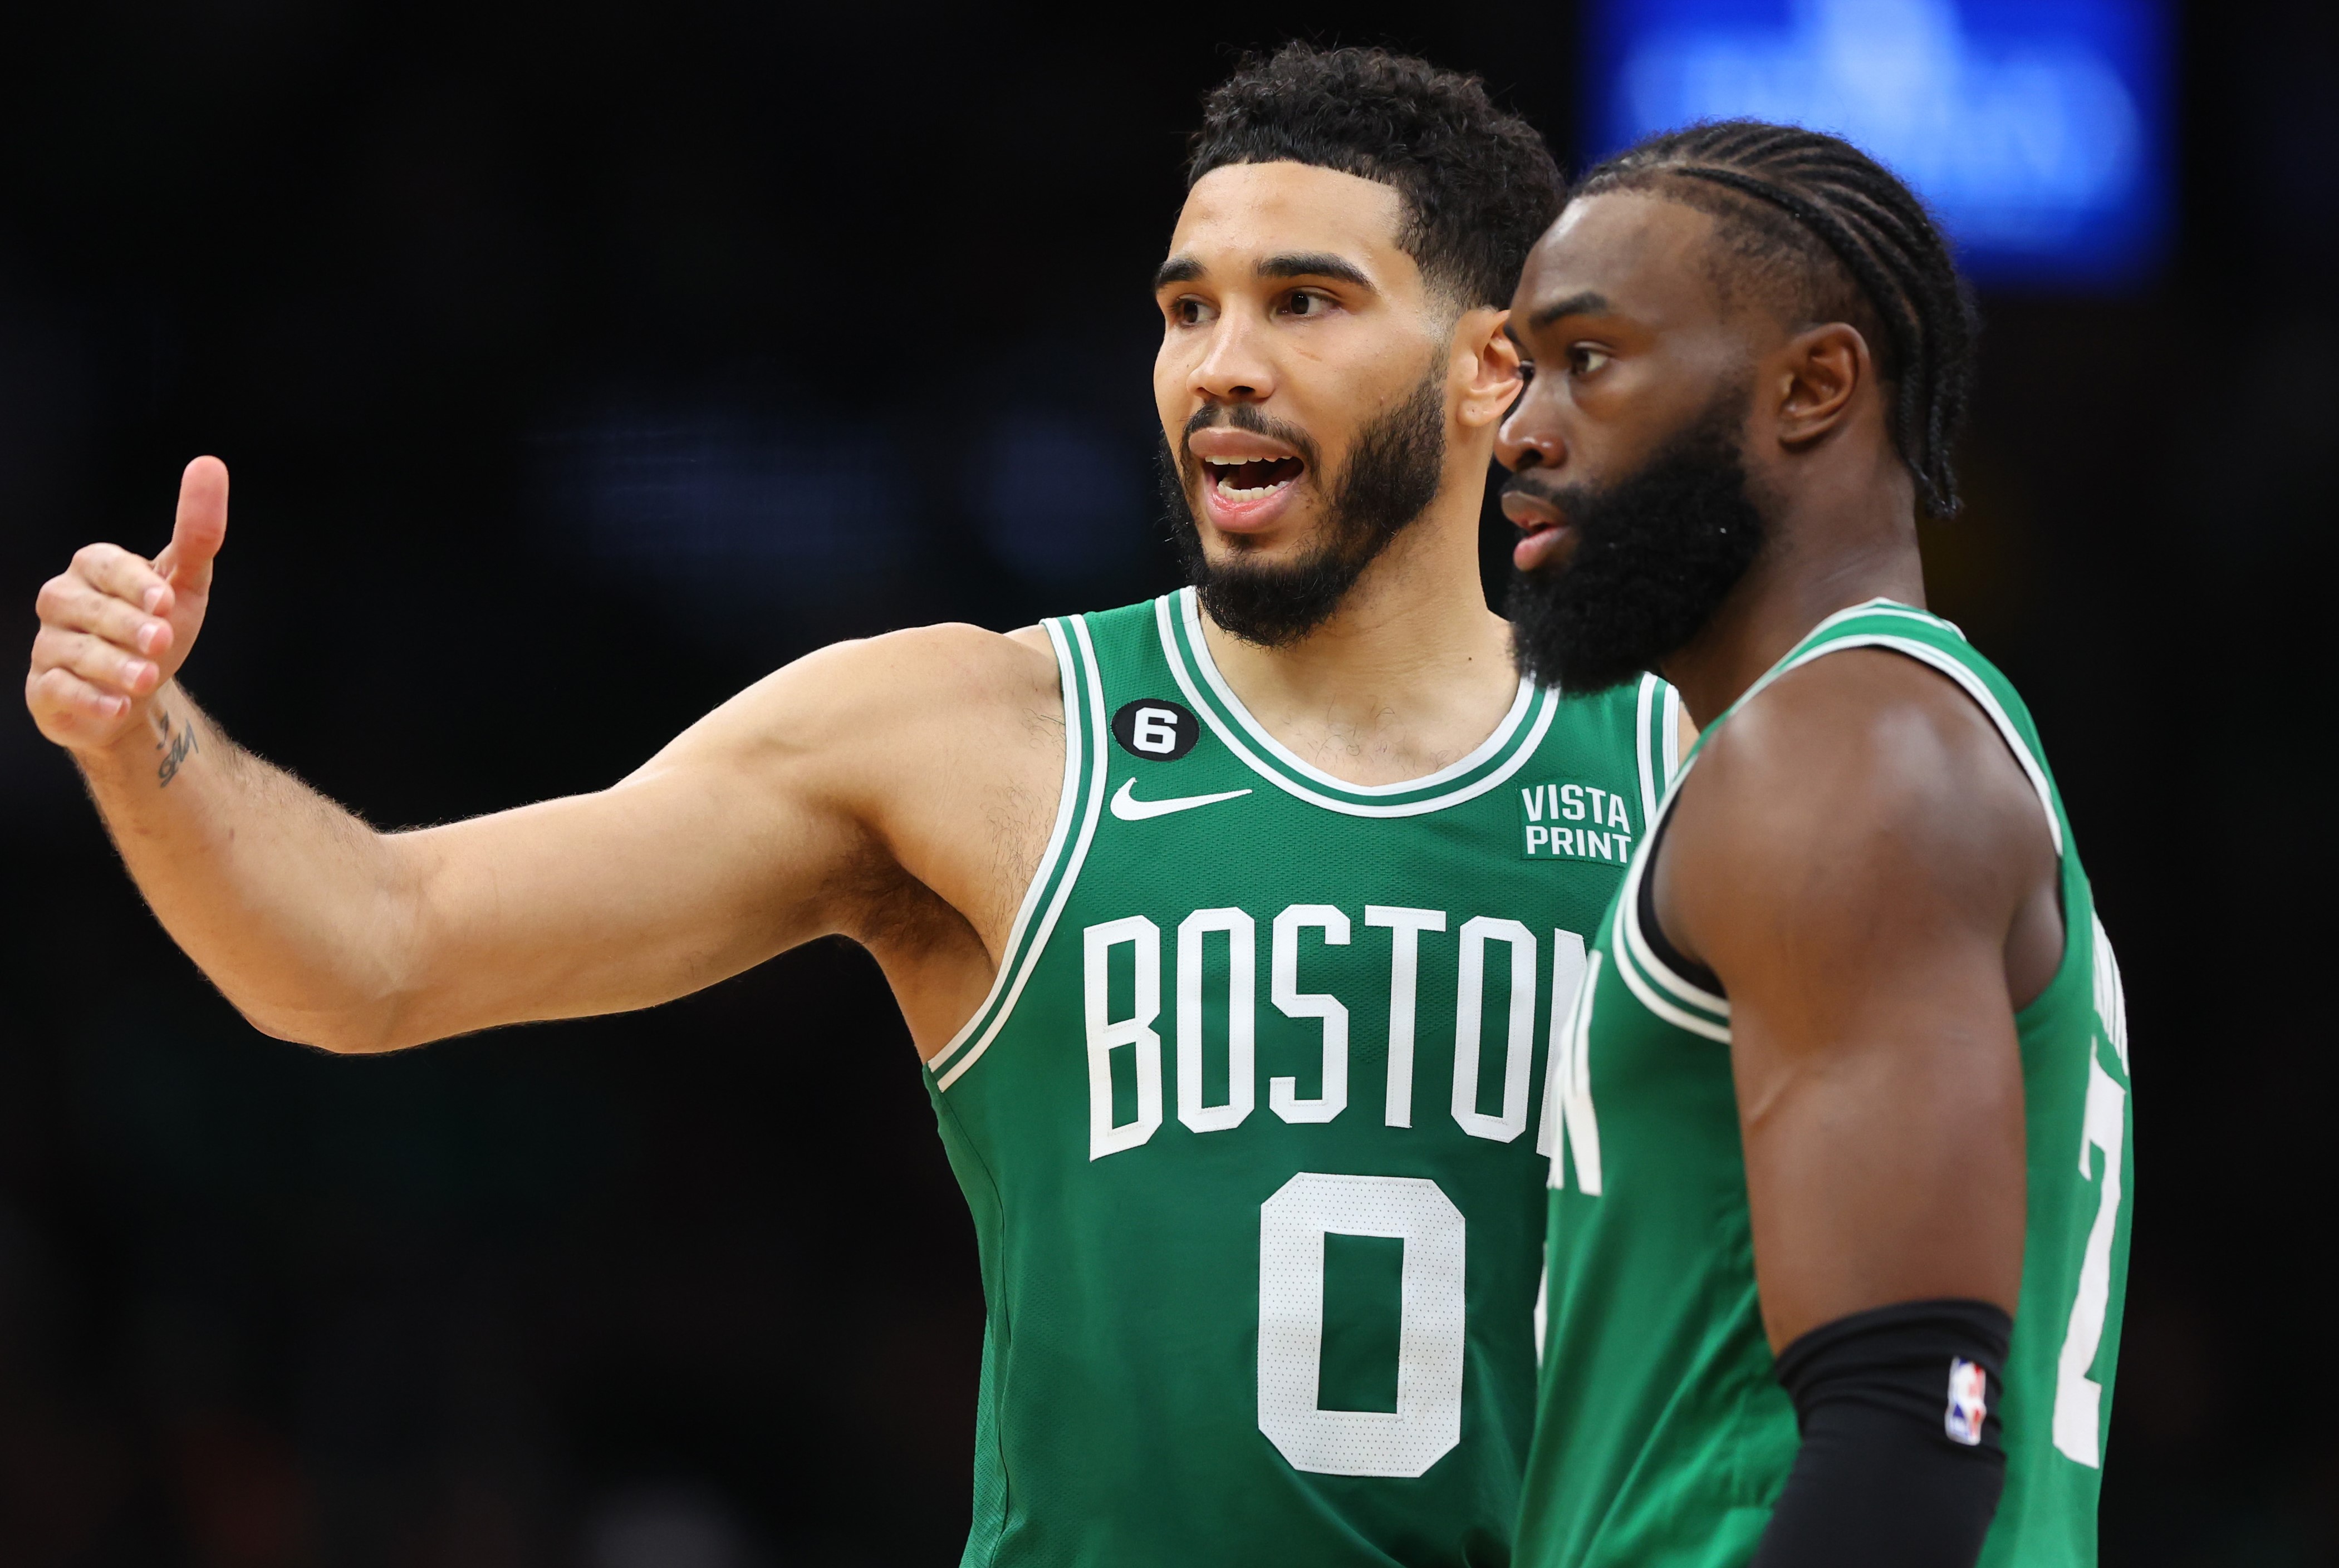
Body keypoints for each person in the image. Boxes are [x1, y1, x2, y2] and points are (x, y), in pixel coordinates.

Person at [25, 46, 1684, 1567]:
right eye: (1185, 311)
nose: (1219, 367)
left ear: (1490, 370)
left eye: (1304, 303)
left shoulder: (1693, 771)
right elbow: (378, 947)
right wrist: (147, 741)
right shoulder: (978, 732)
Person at [1494, 121, 2131, 1568]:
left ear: (1812, 386)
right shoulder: (1863, 738)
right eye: (1518, 366)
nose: (1519, 428)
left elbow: (1911, 1430)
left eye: (1584, 359)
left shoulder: (1840, 754)